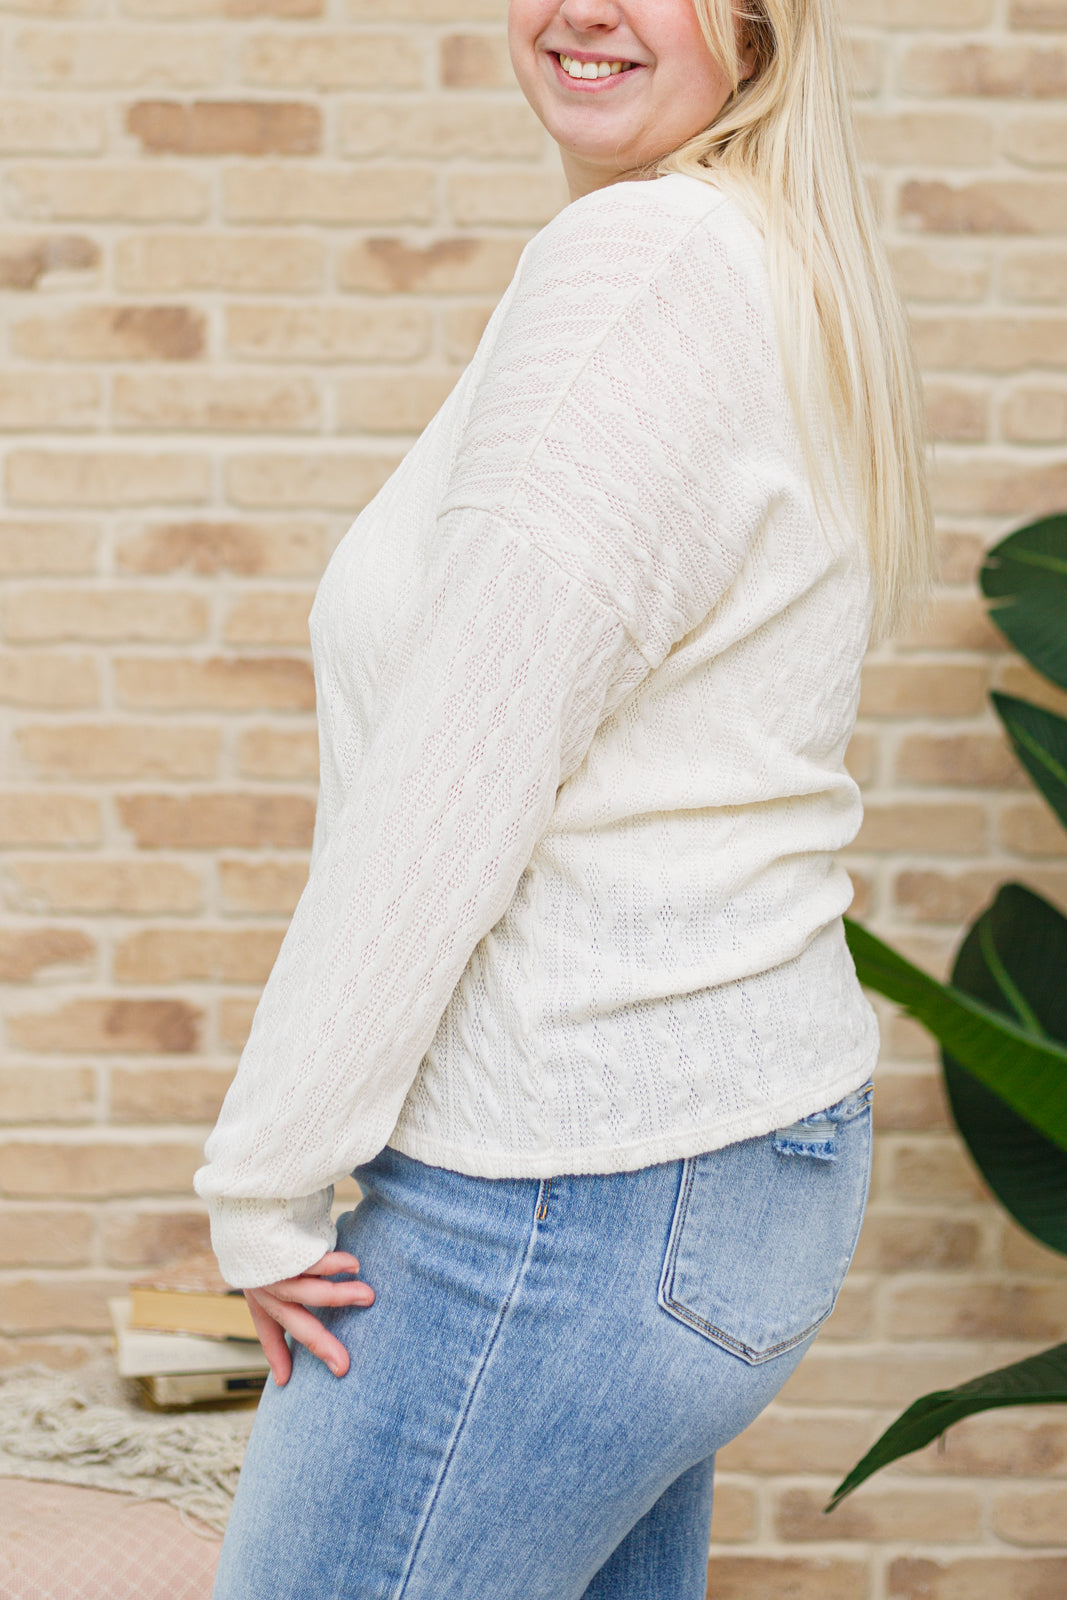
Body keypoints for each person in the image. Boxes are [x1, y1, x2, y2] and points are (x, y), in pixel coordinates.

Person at [198, 0, 931, 1592]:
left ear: (755, 29)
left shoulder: (641, 268)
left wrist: (265, 1180)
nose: (585, 9)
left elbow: (458, 773)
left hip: (565, 1183)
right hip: (706, 1165)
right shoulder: (743, 255)